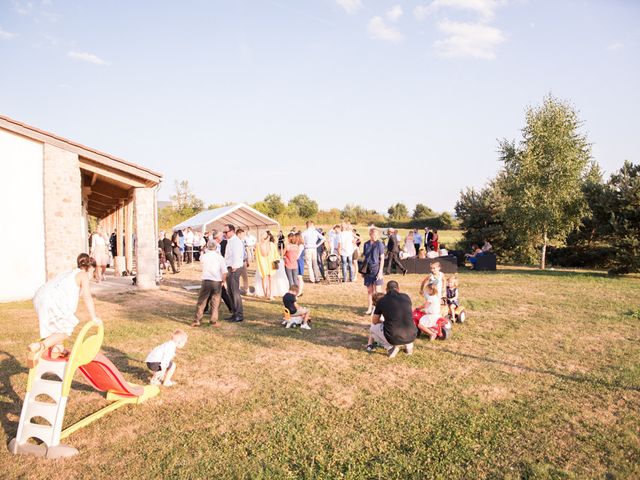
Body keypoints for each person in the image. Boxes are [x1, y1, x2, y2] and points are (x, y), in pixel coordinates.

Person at [27, 253, 101, 368]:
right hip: (53, 301)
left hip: (39, 298)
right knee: (65, 330)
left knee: (56, 328)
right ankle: (39, 346)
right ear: (90, 268)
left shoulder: (70, 272)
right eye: (93, 271)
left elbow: (74, 291)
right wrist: (94, 317)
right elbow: (87, 296)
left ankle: (57, 349)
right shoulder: (83, 275)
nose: (92, 274)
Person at [369, 281, 417, 358]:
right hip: (412, 334)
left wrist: (384, 322)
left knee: (372, 329)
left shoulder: (382, 300)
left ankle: (390, 347)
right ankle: (409, 346)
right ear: (398, 289)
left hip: (394, 336)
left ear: (386, 290)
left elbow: (374, 321)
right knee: (404, 326)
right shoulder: (406, 297)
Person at [192, 240, 227, 327]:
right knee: (215, 302)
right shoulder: (220, 257)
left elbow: (201, 262)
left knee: (202, 301)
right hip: (216, 281)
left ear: (207, 247)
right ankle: (213, 320)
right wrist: (223, 281)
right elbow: (224, 271)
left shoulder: (204, 256)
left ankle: (197, 320)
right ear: (216, 247)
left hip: (206, 280)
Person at [362, 227, 386, 315]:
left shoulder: (379, 244)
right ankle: (369, 308)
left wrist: (380, 272)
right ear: (370, 234)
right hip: (367, 269)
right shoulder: (366, 244)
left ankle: (379, 310)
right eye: (373, 234)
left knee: (378, 291)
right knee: (369, 291)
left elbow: (382, 258)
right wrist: (363, 271)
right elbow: (365, 257)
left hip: (376, 269)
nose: (375, 236)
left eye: (377, 235)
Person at [224, 224, 245, 322]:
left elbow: (237, 255)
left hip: (234, 268)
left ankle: (239, 314)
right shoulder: (230, 241)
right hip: (230, 267)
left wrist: (234, 266)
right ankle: (234, 312)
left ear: (232, 231)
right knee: (230, 291)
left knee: (235, 291)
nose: (225, 233)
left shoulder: (236, 241)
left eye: (226, 232)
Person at [255, 231, 280, 300]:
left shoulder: (260, 245)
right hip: (267, 263)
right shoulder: (269, 245)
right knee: (268, 278)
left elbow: (257, 256)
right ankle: (269, 294)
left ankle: (267, 294)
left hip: (265, 263)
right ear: (268, 237)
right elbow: (276, 254)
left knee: (265, 278)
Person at [295, 232, 305, 296]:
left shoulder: (301, 245)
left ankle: (300, 291)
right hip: (298, 261)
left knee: (299, 277)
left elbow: (298, 255)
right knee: (298, 277)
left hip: (299, 261)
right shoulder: (298, 245)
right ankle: (299, 291)